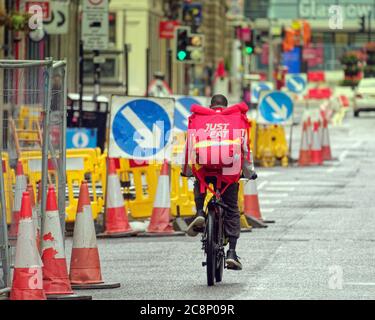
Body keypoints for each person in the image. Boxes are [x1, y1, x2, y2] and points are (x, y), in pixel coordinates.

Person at [185, 94, 257, 271]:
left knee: (198, 181)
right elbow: (244, 149)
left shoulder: (201, 118)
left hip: (206, 169)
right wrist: (249, 172)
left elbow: (190, 146)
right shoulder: (236, 119)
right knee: (232, 208)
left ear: (211, 106)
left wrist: (187, 171)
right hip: (229, 172)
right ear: (226, 105)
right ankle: (232, 252)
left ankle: (201, 212)